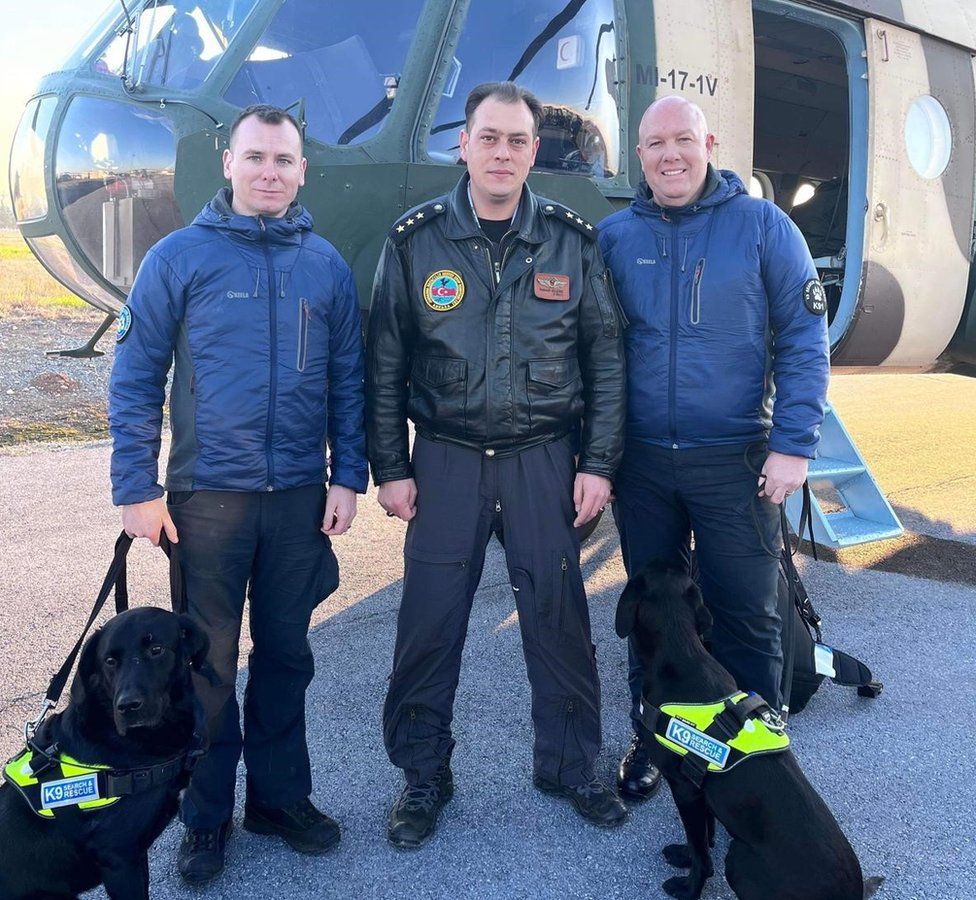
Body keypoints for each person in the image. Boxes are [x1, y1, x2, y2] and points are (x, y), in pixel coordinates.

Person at [108, 104, 367, 884]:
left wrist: (346, 475)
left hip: (296, 499)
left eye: (283, 161)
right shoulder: (177, 259)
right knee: (207, 667)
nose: (269, 173)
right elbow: (135, 376)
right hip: (205, 501)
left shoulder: (326, 266)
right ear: (229, 163)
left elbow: (348, 382)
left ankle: (281, 801)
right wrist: (136, 487)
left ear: (301, 171)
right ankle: (207, 817)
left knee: (286, 656)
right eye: (256, 157)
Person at [367, 81, 628, 848]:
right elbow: (384, 363)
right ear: (465, 144)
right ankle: (423, 776)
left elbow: (605, 358)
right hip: (445, 459)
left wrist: (599, 462)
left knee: (558, 623)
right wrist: (392, 466)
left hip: (543, 458)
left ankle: (571, 767)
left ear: (533, 151)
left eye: (518, 140)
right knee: (429, 624)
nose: (504, 152)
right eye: (490, 137)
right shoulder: (415, 241)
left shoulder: (572, 241)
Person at [598, 96, 830, 801]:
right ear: (637, 155)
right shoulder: (613, 236)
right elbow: (589, 352)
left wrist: (793, 444)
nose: (670, 154)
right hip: (642, 462)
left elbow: (802, 339)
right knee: (651, 611)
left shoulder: (763, 227)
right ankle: (654, 737)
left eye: (683, 139)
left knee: (746, 609)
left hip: (736, 456)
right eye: (655, 143)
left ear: (709, 143)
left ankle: (759, 751)